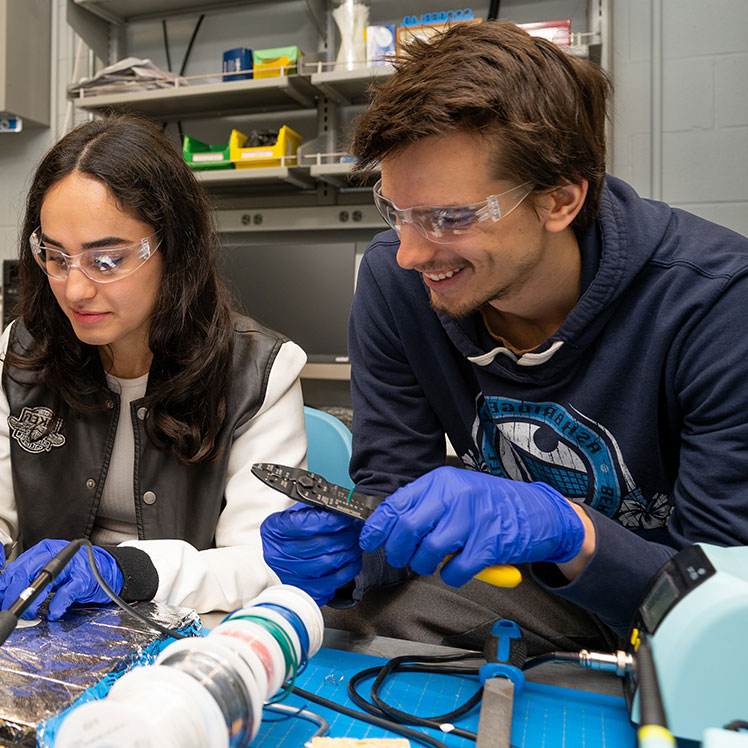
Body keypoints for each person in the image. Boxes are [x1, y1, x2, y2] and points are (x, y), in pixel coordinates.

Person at [261, 21, 748, 655]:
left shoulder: (718, 303)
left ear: (560, 200)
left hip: (687, 612)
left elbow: (717, 601)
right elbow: (392, 492)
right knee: (356, 635)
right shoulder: (396, 282)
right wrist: (359, 550)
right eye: (396, 210)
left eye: (450, 218)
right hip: (524, 594)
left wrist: (571, 532)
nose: (409, 253)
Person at [0, 113, 306, 621]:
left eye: (106, 260)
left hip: (189, 636)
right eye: (55, 256)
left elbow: (261, 563)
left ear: (174, 249)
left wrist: (130, 570)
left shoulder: (260, 372)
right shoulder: (20, 353)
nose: (75, 289)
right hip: (42, 627)